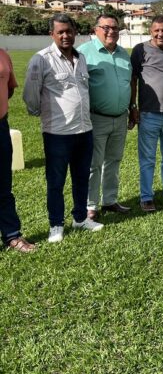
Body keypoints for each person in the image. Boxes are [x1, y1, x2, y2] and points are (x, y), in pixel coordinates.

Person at [23, 14, 103, 243]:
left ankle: (80, 218)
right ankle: (56, 225)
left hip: (84, 130)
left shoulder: (81, 58)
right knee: (56, 182)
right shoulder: (41, 59)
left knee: (81, 178)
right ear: (52, 34)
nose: (66, 35)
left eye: (69, 31)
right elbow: (30, 95)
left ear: (75, 31)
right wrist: (44, 115)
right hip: (57, 133)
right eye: (60, 32)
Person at [78, 14, 132, 219]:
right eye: (106, 27)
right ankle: (90, 205)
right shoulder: (83, 53)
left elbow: (129, 83)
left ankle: (109, 200)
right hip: (96, 118)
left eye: (115, 28)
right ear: (95, 29)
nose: (111, 31)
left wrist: (132, 107)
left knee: (114, 161)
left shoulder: (123, 54)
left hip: (120, 117)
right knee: (94, 163)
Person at [129, 15, 163, 212]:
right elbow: (133, 79)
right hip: (149, 114)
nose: (161, 34)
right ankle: (146, 196)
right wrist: (133, 107)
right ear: (151, 31)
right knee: (148, 159)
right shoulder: (140, 50)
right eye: (157, 30)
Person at [0, 49, 36, 252]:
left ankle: (12, 235)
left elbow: (10, 88)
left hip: (0, 127)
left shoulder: (3, 55)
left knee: (4, 186)